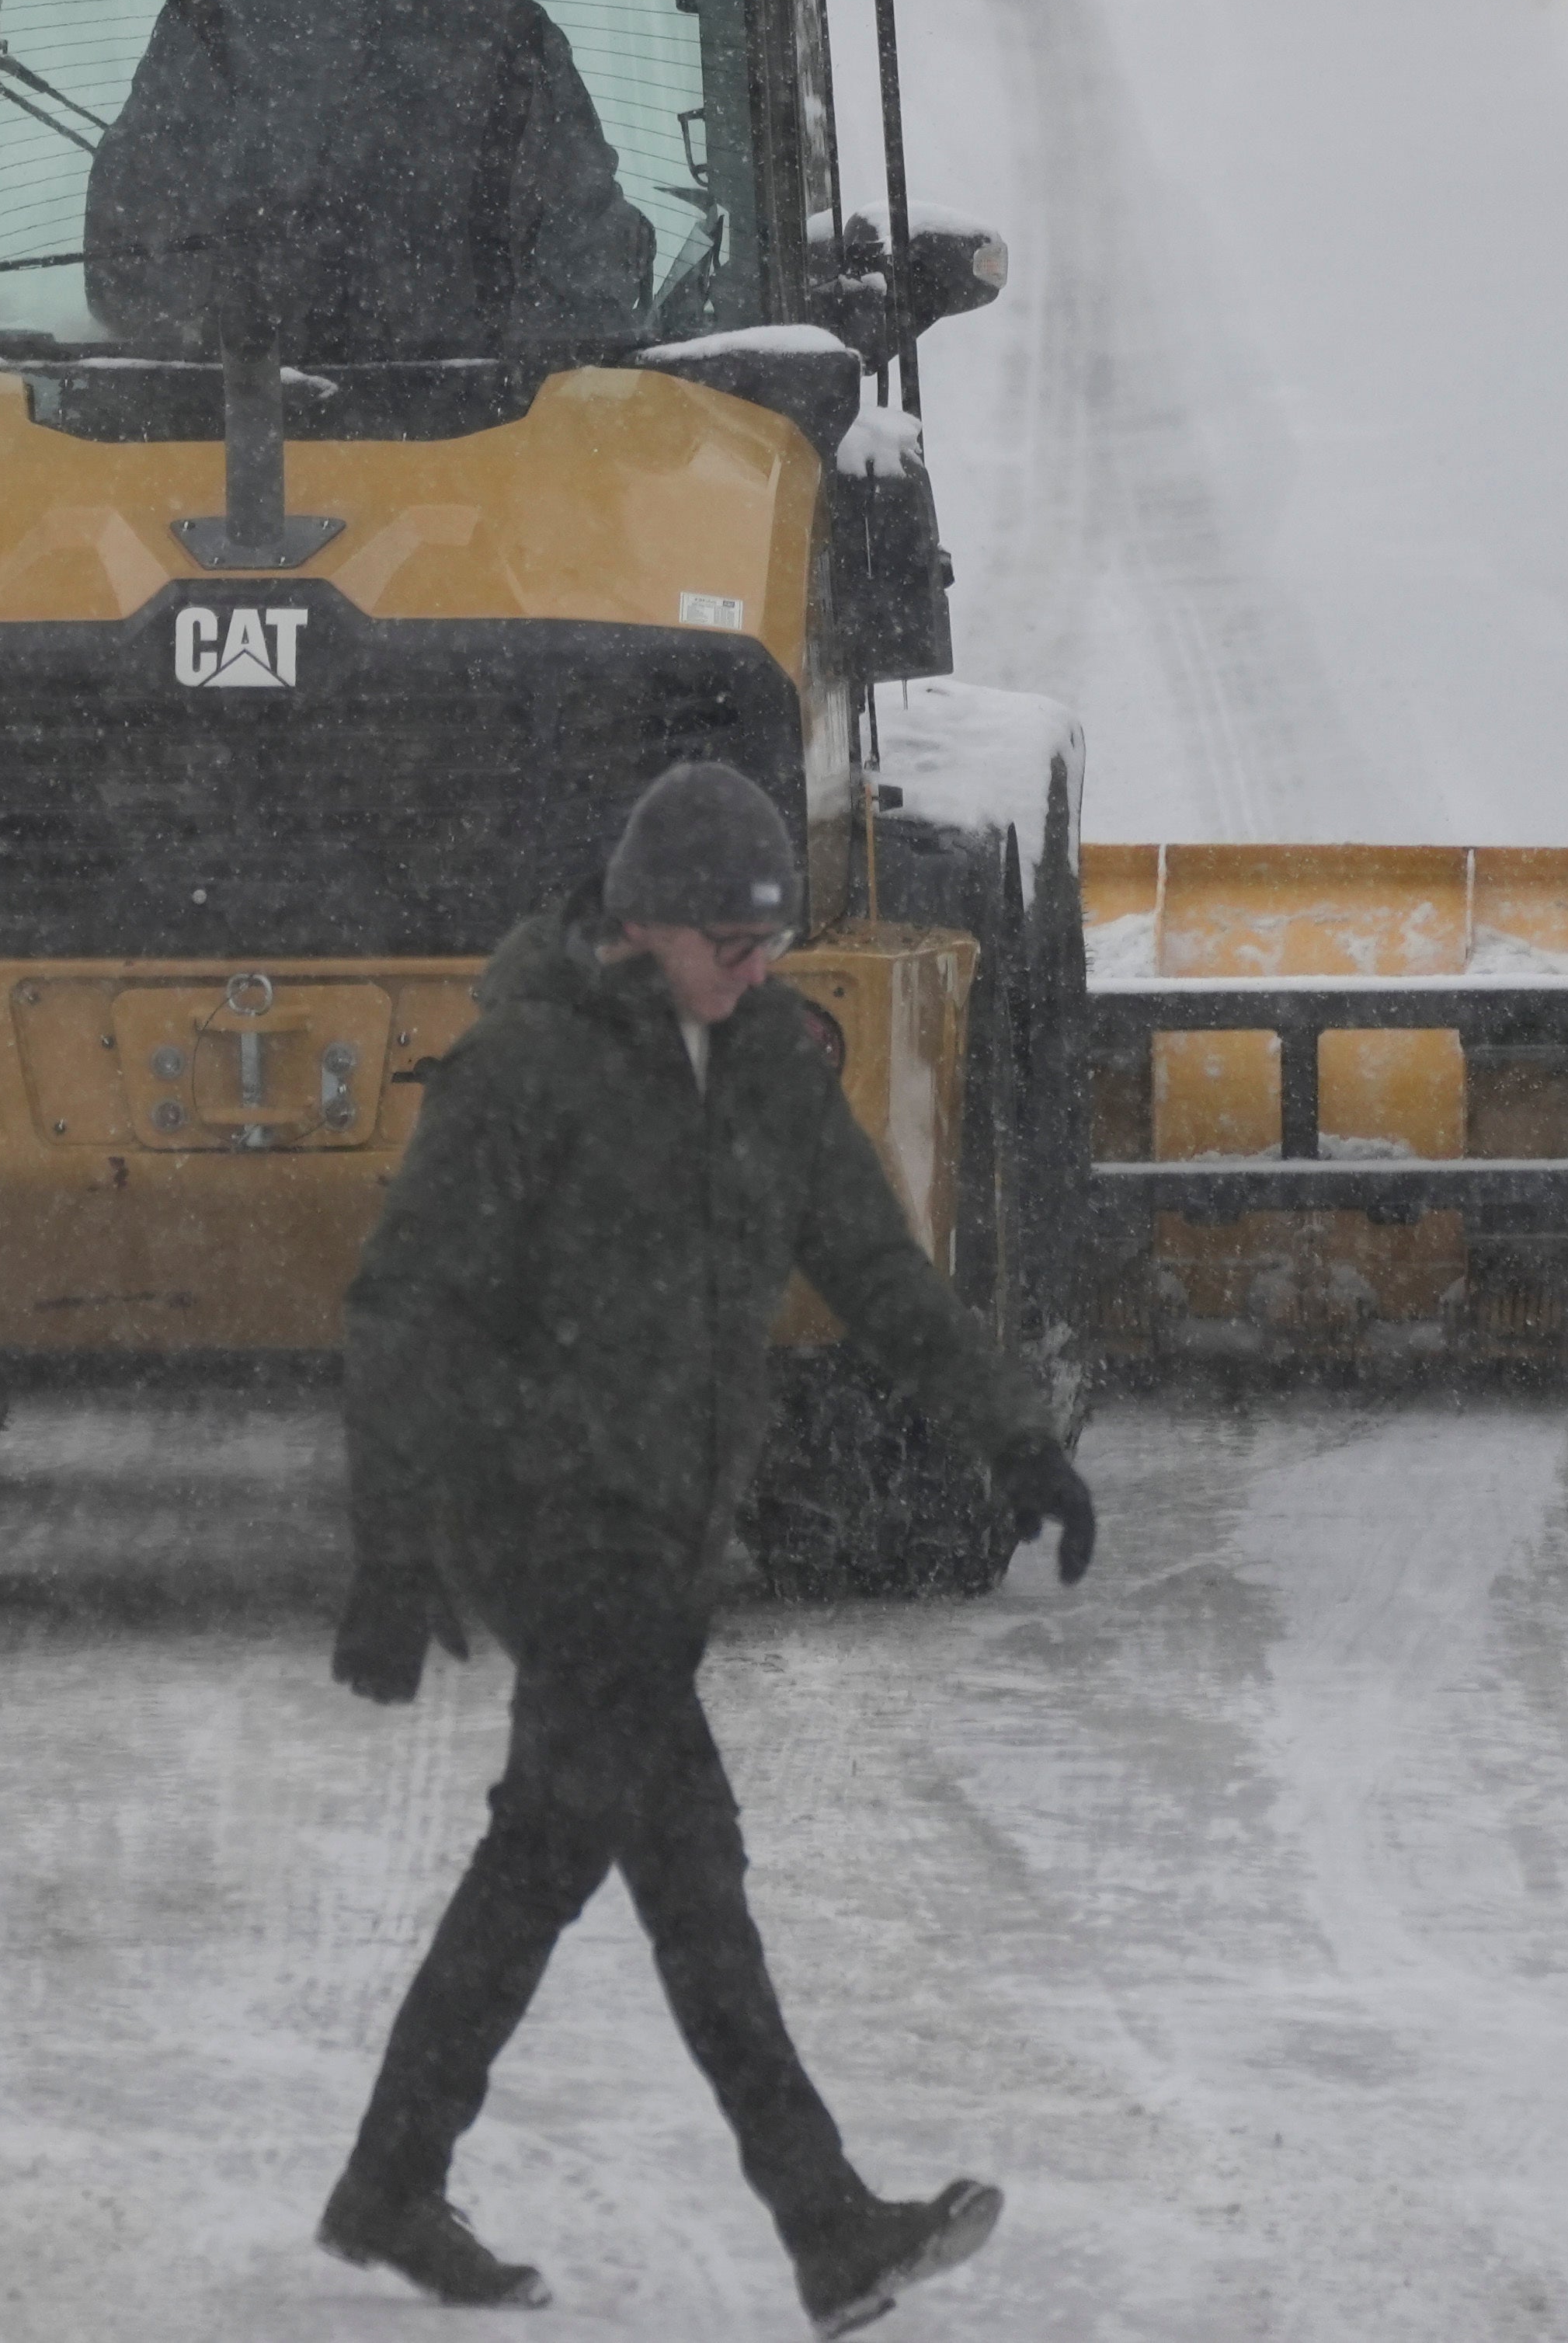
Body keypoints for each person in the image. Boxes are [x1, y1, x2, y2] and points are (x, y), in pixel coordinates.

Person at [320, 758, 1096, 2332]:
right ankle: (819, 2221)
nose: (755, 968)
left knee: (575, 1862)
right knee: (674, 1881)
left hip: (670, 1529)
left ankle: (396, 2186)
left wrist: (1017, 1436)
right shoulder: (524, 1072)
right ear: (643, 924)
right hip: (546, 1520)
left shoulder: (768, 1077)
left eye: (768, 941)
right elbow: (407, 1311)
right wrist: (396, 1548)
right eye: (728, 941)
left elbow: (881, 1274)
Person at [82, 0, 652, 359]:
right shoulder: (510, 37)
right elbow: (586, 265)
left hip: (238, 417)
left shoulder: (210, 18)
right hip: (450, 418)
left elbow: (131, 256)